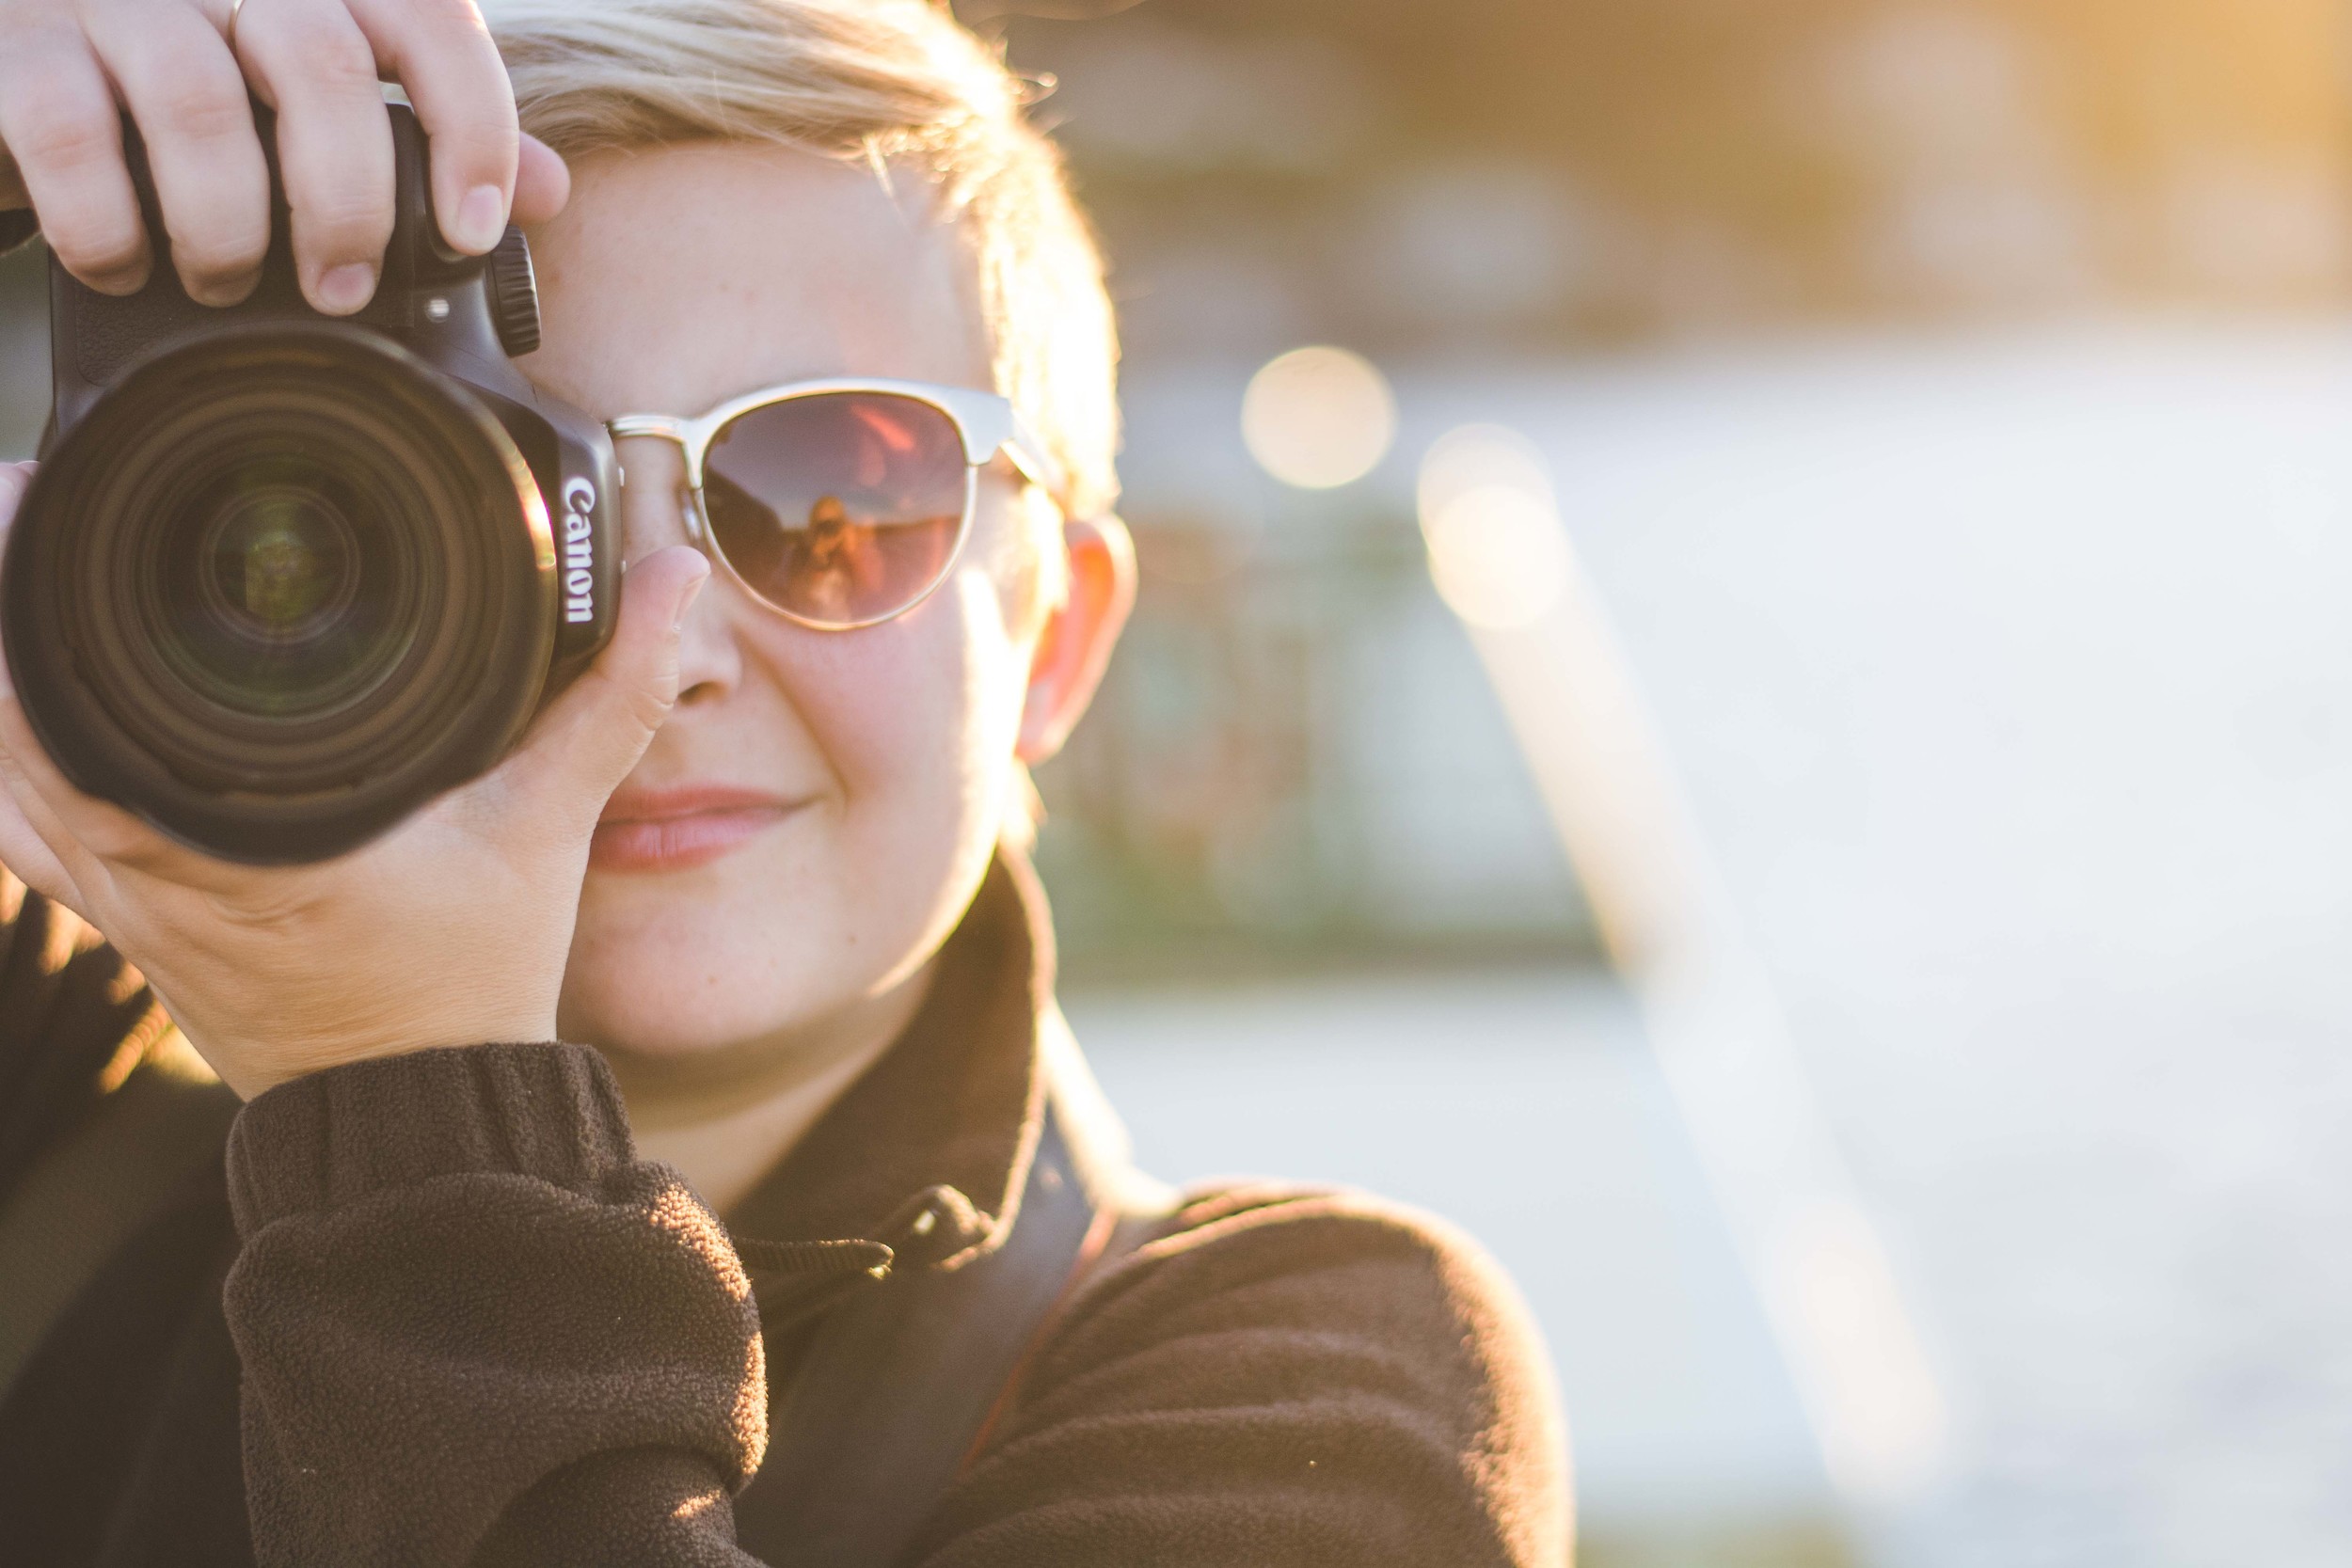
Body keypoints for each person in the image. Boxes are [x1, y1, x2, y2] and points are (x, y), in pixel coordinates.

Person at [0, 0, 1571, 1562]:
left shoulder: (1316, 1376)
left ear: (1054, 638)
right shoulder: (56, 1126)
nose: (669, 651)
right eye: (526, 510)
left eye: (830, 493)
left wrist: (392, 1093)